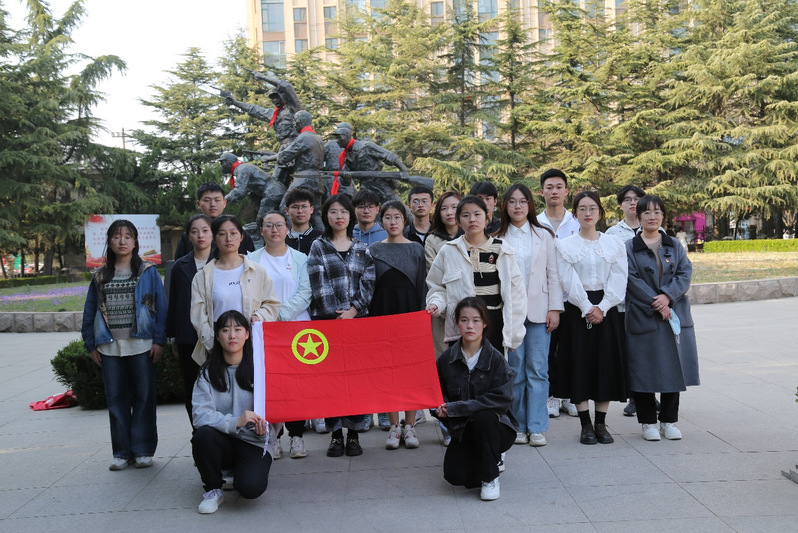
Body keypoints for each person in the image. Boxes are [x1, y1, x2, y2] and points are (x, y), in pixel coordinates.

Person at [81, 220, 167, 471]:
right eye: (117, 237)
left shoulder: (148, 272)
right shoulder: (100, 276)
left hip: (141, 345)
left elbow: (161, 308)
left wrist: (159, 341)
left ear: (135, 241)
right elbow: (89, 311)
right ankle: (121, 452)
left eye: (127, 236)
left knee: (144, 397)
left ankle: (142, 450)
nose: (122, 241)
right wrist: (91, 345)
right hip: (109, 347)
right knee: (116, 398)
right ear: (109, 242)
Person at [552, 191, 628, 445]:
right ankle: (585, 424)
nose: (587, 213)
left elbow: (619, 278)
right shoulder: (565, 245)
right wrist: (587, 307)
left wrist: (602, 307)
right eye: (582, 209)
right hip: (577, 310)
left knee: (604, 364)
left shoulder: (614, 244)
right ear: (575, 214)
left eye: (592, 208)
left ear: (600, 213)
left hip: (607, 310)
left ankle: (601, 424)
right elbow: (567, 279)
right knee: (580, 365)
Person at [626, 195, 699, 441]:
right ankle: (648, 422)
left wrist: (667, 296)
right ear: (639, 216)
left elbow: (684, 273)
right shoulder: (629, 247)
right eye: (647, 212)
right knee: (643, 368)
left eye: (657, 212)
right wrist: (656, 302)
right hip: (643, 315)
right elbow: (630, 278)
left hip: (673, 312)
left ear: (663, 216)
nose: (652, 217)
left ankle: (669, 421)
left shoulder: (674, 245)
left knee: (673, 367)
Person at [307, 194, 376, 457]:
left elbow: (369, 281)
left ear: (351, 215)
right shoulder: (318, 246)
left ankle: (354, 434)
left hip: (357, 322)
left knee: (356, 380)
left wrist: (353, 310)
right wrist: (336, 314)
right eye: (333, 212)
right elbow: (318, 282)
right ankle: (336, 434)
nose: (339, 216)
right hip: (328, 324)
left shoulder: (361, 247)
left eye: (344, 212)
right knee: (332, 381)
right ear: (326, 216)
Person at [495, 184, 562, 448]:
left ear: (531, 205)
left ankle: (537, 426)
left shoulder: (544, 235)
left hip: (539, 311)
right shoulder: (497, 237)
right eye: (512, 201)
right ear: (505, 206)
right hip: (510, 312)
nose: (518, 206)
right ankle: (518, 425)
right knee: (514, 370)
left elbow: (553, 273)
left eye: (523, 201)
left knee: (538, 370)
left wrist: (555, 308)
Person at [433, 297, 517, 501]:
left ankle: (490, 477)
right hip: (463, 429)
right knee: (455, 475)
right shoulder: (446, 360)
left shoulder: (496, 359)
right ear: (457, 323)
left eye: (476, 320)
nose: (470, 326)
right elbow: (436, 396)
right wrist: (439, 409)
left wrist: (457, 408)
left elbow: (502, 399)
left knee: (483, 416)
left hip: (496, 428)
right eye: (464, 320)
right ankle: (487, 457)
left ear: (485, 323)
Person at [191, 310, 272, 514]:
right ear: (218, 337)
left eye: (238, 329)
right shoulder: (207, 372)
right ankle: (213, 490)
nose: (232, 335)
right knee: (202, 436)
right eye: (225, 330)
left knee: (250, 488)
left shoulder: (261, 369)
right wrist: (236, 421)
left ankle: (239, 472)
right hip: (222, 439)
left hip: (253, 442)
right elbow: (200, 415)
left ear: (247, 334)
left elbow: (275, 408)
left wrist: (266, 430)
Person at [248, 210, 313, 458]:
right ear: (261, 230)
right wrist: (267, 317)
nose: (274, 230)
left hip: (295, 330)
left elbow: (305, 292)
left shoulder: (300, 258)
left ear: (287, 229)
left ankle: (297, 436)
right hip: (265, 332)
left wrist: (278, 314)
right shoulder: (252, 259)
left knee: (296, 385)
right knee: (270, 385)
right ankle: (273, 436)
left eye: (279, 225)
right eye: (269, 225)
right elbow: (249, 295)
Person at [368, 200, 427, 450]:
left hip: (411, 313)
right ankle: (393, 425)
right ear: (381, 221)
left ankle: (410, 425)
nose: (393, 222)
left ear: (405, 220)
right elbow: (370, 286)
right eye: (388, 217)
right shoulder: (373, 250)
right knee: (387, 371)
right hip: (382, 313)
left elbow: (423, 284)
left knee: (412, 372)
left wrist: (423, 316)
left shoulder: (416, 249)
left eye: (397, 217)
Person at [190, 215, 281, 367]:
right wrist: (213, 344)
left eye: (233, 233)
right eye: (222, 234)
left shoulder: (257, 271)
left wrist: (259, 316)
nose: (228, 239)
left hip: (251, 344)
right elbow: (198, 316)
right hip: (216, 346)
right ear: (214, 238)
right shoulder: (203, 276)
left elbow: (272, 303)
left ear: (241, 236)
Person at [536, 169, 580, 418]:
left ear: (566, 191)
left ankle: (570, 395)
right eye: (549, 187)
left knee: (572, 349)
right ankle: (552, 395)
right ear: (541, 192)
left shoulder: (577, 222)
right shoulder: (535, 223)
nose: (554, 191)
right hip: (545, 299)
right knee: (548, 350)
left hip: (574, 298)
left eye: (559, 187)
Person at [166, 214, 213, 425]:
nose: (200, 235)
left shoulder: (222, 262)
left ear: (213, 234)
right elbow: (175, 302)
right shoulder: (180, 266)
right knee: (193, 388)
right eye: (195, 231)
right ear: (188, 236)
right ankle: (198, 433)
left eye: (205, 230)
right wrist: (173, 337)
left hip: (218, 335)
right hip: (188, 337)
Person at [605, 185, 646, 417]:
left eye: (637, 198)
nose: (633, 203)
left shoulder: (657, 229)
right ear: (620, 204)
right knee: (628, 352)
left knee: (647, 351)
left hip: (647, 303)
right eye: (628, 199)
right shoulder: (612, 234)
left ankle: (648, 394)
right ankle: (634, 397)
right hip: (621, 304)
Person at [424, 191, 463, 358]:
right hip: (442, 307)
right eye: (444, 208)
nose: (449, 212)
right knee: (443, 356)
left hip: (469, 306)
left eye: (454, 207)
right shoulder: (432, 240)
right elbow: (435, 275)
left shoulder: (472, 236)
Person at [332, 122, 409, 204]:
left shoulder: (366, 146)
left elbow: (389, 156)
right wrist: (346, 178)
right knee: (364, 209)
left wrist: (403, 170)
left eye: (339, 138)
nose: (337, 141)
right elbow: (345, 182)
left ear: (347, 137)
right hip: (365, 188)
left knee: (396, 206)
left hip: (381, 183)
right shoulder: (345, 156)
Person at [174, 183, 256, 259]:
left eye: (217, 200)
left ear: (224, 203)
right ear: (198, 204)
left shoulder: (239, 234)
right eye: (207, 200)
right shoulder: (189, 236)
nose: (212, 204)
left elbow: (251, 261)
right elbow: (181, 265)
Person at [284, 188, 323, 255]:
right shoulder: (281, 238)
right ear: (287, 210)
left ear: (311, 209)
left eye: (304, 207)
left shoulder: (321, 238)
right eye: (295, 207)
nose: (300, 211)